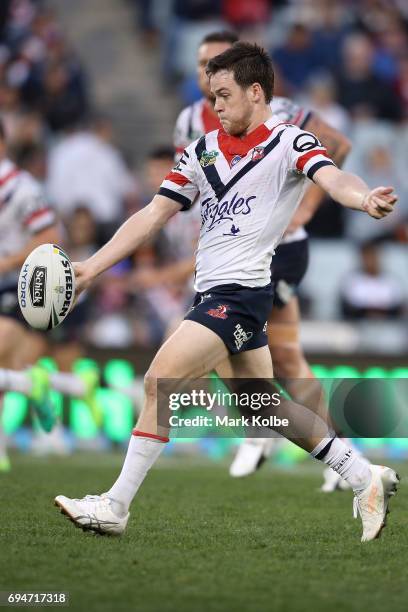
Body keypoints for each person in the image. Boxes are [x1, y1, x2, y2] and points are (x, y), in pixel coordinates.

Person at [55, 42, 399, 542]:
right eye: (211, 96)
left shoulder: (289, 142)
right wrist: (89, 268)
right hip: (212, 292)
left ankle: (115, 505)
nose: (214, 106)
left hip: (241, 295)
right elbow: (152, 215)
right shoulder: (202, 150)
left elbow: (335, 177)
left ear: (255, 92)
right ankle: (363, 476)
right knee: (262, 406)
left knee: (160, 381)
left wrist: (362, 197)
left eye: (223, 94)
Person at [172, 30, 356, 484]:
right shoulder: (188, 122)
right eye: (201, 63)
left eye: (215, 61)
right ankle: (335, 453)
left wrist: (306, 209)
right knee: (270, 357)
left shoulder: (283, 114)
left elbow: (338, 145)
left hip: (280, 251)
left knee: (264, 353)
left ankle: (274, 437)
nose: (206, 70)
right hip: (229, 255)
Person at [0, 120, 60, 470]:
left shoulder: (19, 187)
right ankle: (32, 384)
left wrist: (6, 261)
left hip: (17, 284)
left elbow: (50, 236)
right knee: (6, 368)